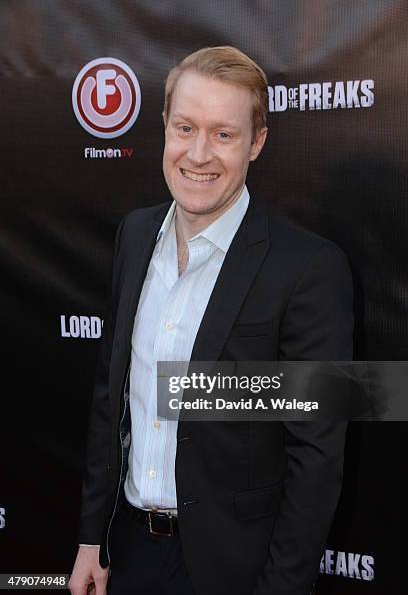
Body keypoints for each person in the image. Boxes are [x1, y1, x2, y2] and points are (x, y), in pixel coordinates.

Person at [69, 46, 354, 595]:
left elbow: (316, 459)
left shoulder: (310, 269)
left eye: (224, 134)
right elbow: (114, 396)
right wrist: (90, 538)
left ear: (257, 143)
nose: (198, 154)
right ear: (165, 128)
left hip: (232, 570)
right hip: (126, 552)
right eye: (185, 127)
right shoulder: (133, 235)